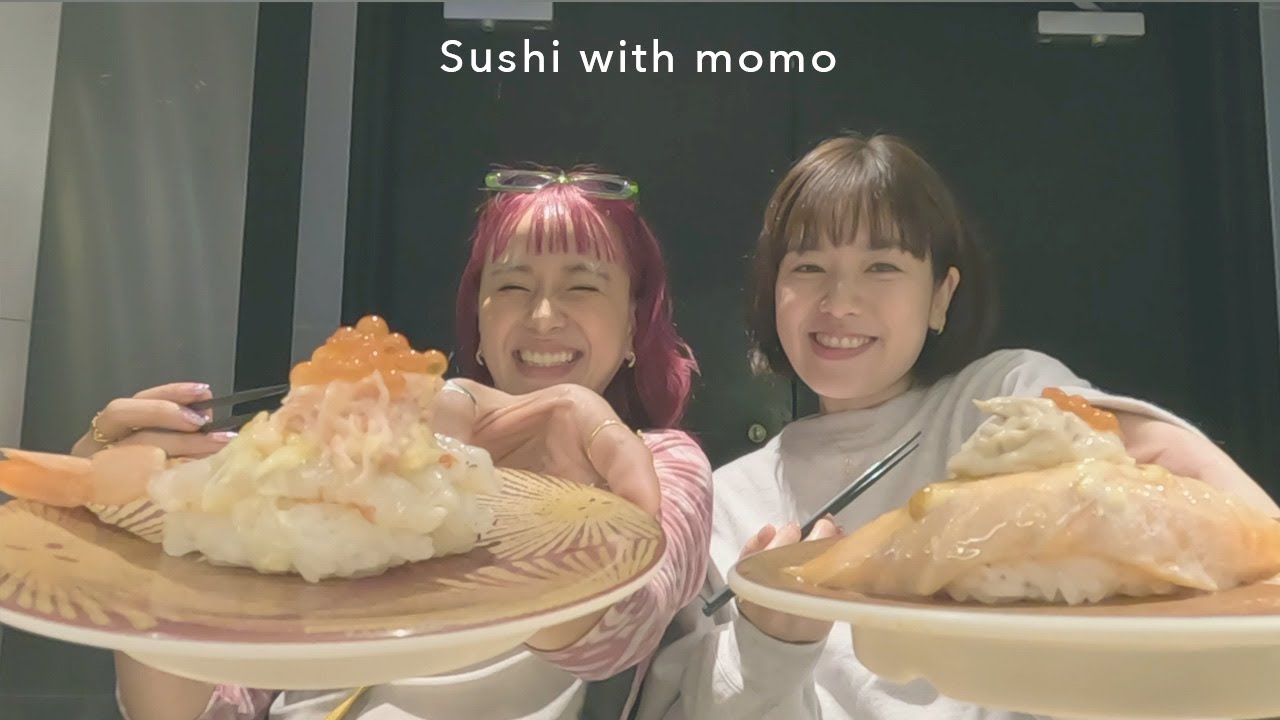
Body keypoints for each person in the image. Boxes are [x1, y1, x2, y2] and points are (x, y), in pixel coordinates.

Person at [634, 133, 1279, 720]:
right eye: (807, 267)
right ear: (772, 292)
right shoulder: (725, 501)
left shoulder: (996, 400)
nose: (839, 301)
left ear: (940, 295)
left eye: (882, 266)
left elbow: (1158, 454)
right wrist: (767, 641)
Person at [86, 167, 713, 720]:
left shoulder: (664, 464)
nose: (543, 315)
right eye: (513, 285)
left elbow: (620, 633)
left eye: (582, 286)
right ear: (480, 321)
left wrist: (519, 501)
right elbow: (206, 705)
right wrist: (128, 532)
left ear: (633, 325)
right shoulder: (365, 459)